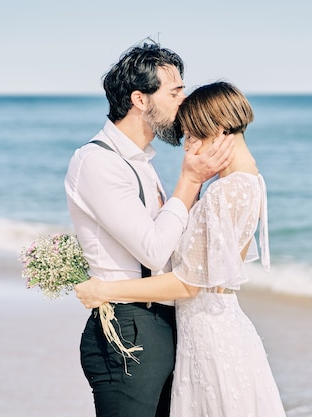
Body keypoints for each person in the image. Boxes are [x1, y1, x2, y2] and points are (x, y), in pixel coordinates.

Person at [75, 81, 287, 417]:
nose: (187, 147)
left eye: (191, 136)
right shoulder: (249, 182)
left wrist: (105, 289)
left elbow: (189, 284)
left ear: (217, 129)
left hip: (210, 339)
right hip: (220, 328)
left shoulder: (222, 192)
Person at [64, 42, 235, 417]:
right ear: (140, 99)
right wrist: (189, 182)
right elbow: (153, 250)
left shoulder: (142, 162)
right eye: (175, 92)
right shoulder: (98, 163)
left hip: (159, 323)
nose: (184, 101)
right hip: (128, 330)